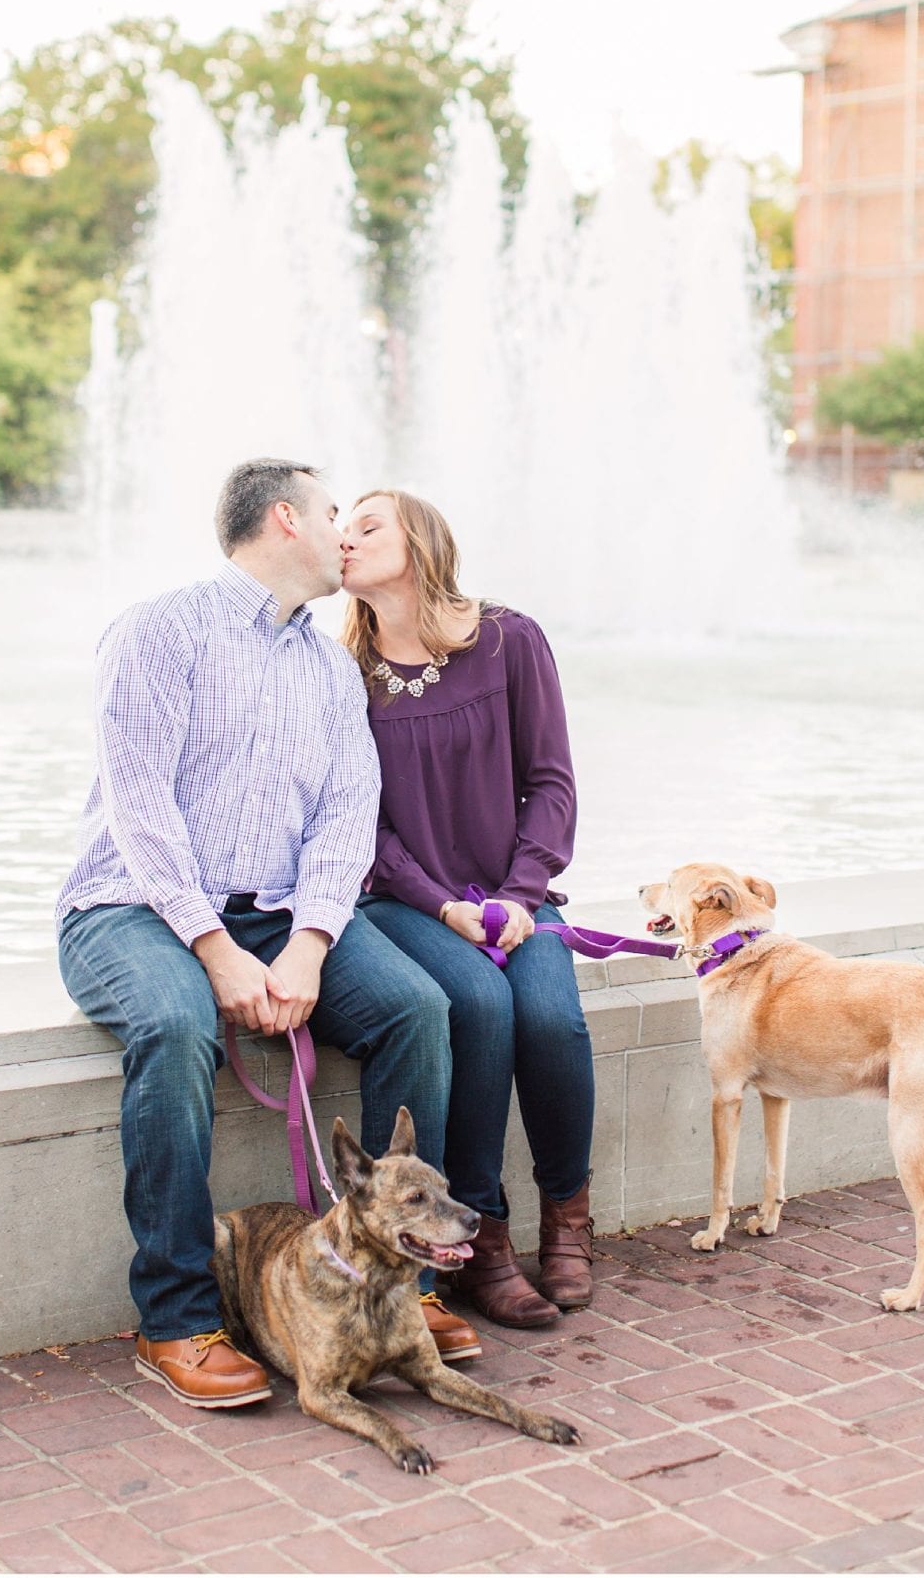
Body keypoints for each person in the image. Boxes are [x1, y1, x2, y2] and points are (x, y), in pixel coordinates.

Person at [56, 458, 480, 1410]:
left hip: (283, 909)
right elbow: (141, 810)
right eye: (334, 513)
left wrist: (309, 943)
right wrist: (214, 949)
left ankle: (398, 1284)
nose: (346, 531)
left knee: (416, 1007)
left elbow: (345, 813)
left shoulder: (329, 665)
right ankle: (174, 1319)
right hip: (130, 904)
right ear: (285, 520)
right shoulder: (157, 632)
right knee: (174, 1028)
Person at [341, 489, 596, 1328]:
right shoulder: (341, 672)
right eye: (339, 529)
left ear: (417, 541)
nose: (344, 539)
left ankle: (567, 1216)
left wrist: (521, 895)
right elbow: (360, 824)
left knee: (551, 1021)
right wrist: (444, 907)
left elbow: (550, 781)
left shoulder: (507, 640)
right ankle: (483, 1242)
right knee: (481, 1006)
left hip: (515, 895)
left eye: (366, 525)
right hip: (406, 901)